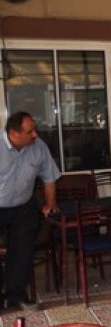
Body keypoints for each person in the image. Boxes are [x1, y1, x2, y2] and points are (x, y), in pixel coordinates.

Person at [0, 112, 60, 311]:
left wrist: (50, 203)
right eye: (30, 131)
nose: (35, 134)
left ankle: (16, 296)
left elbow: (49, 176)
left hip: (23, 206)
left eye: (35, 130)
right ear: (13, 133)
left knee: (22, 252)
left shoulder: (38, 146)